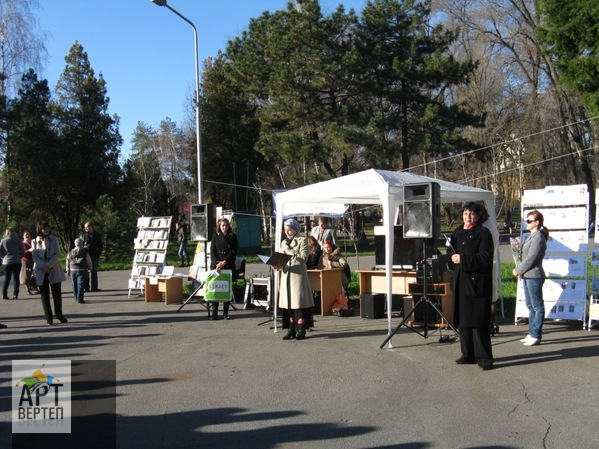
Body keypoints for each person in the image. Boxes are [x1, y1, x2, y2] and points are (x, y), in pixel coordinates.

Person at [448, 202, 494, 371]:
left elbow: (485, 257)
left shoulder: (483, 233)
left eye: (472, 214)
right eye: (466, 213)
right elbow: (451, 250)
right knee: (463, 321)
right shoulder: (458, 232)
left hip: (476, 282)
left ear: (478, 216)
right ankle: (468, 354)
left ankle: (484, 358)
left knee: (477, 321)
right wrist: (451, 258)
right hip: (460, 281)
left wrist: (464, 259)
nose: (468, 216)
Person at [513, 210, 548, 346]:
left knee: (537, 306)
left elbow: (531, 259)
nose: (526, 223)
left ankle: (536, 334)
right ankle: (532, 332)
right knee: (530, 305)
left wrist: (518, 270)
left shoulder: (539, 237)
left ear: (537, 223)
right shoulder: (532, 236)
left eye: (529, 221)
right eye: (526, 220)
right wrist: (521, 270)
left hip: (534, 275)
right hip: (527, 275)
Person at [275, 218, 314, 340]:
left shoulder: (302, 240)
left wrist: (291, 251)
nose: (287, 232)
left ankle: (301, 329)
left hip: (297, 277)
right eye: (285, 230)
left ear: (296, 230)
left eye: (289, 230)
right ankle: (291, 328)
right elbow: (282, 258)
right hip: (286, 276)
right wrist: (277, 265)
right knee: (289, 305)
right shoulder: (283, 243)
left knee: (299, 304)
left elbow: (304, 258)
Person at [32, 221, 68, 325]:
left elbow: (57, 254)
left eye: (47, 228)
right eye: (44, 228)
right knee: (44, 295)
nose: (46, 230)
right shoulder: (35, 241)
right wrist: (43, 266)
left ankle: (59, 315)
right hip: (41, 270)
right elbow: (35, 256)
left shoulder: (54, 239)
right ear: (40, 229)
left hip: (53, 269)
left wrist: (49, 265)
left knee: (57, 294)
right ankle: (48, 317)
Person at [209, 217, 238, 320]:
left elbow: (234, 251)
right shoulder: (215, 236)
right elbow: (212, 251)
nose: (224, 227)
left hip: (228, 264)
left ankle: (225, 313)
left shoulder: (233, 236)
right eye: (222, 225)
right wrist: (217, 264)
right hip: (217, 266)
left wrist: (224, 262)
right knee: (216, 289)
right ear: (219, 226)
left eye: (226, 225)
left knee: (227, 289)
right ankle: (214, 312)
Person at [479, 205, 501, 336]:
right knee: (492, 296)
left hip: (488, 265)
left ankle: (490, 323)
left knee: (490, 297)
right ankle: (491, 323)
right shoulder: (490, 224)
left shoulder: (486, 227)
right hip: (491, 264)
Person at [66, 237, 92, 304]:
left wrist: (67, 269)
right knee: (80, 284)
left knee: (74, 284)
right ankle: (80, 299)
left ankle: (75, 297)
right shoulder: (85, 251)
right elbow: (88, 260)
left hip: (73, 269)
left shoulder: (71, 252)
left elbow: (68, 260)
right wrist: (90, 267)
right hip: (82, 269)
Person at [1, 228, 25, 301]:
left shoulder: (3, 241)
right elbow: (22, 252)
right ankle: (15, 294)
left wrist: (3, 257)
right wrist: (19, 256)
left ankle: (4, 293)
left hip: (6, 261)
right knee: (16, 278)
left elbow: (0, 252)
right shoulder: (18, 241)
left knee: (7, 278)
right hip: (16, 261)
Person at [80, 221, 103, 292]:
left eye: (88, 227)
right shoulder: (82, 235)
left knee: (94, 271)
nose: (87, 229)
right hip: (86, 255)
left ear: (92, 227)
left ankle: (94, 287)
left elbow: (100, 245)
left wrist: (98, 253)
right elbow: (80, 245)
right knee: (86, 272)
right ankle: (86, 287)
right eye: (85, 227)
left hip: (94, 255)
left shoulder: (97, 235)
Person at [20, 230, 38, 295]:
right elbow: (22, 253)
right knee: (26, 276)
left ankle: (35, 287)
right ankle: (28, 290)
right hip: (25, 261)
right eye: (25, 235)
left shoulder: (32, 243)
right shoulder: (22, 244)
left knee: (34, 275)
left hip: (33, 260)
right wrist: (29, 250)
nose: (27, 236)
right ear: (23, 237)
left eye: (28, 234)